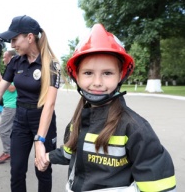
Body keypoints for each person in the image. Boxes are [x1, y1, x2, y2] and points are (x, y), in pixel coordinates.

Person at [37, 24, 177, 192]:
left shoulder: (135, 128)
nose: (97, 82)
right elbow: (70, 150)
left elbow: (160, 184)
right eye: (88, 73)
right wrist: (47, 157)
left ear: (121, 75)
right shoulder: (79, 119)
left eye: (107, 73)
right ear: (77, 76)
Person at [0, 15, 60, 192]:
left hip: (43, 120)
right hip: (20, 120)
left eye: (15, 39)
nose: (12, 45)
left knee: (43, 170)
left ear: (30, 37)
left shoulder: (51, 64)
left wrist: (40, 139)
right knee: (16, 171)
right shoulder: (16, 62)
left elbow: (50, 104)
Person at [0, 49, 18, 163]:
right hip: (7, 105)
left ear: (11, 57)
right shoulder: (9, 70)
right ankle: (14, 151)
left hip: (12, 106)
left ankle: (8, 152)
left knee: (3, 130)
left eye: (4, 57)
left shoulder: (16, 70)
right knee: (10, 130)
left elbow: (12, 88)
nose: (2, 59)